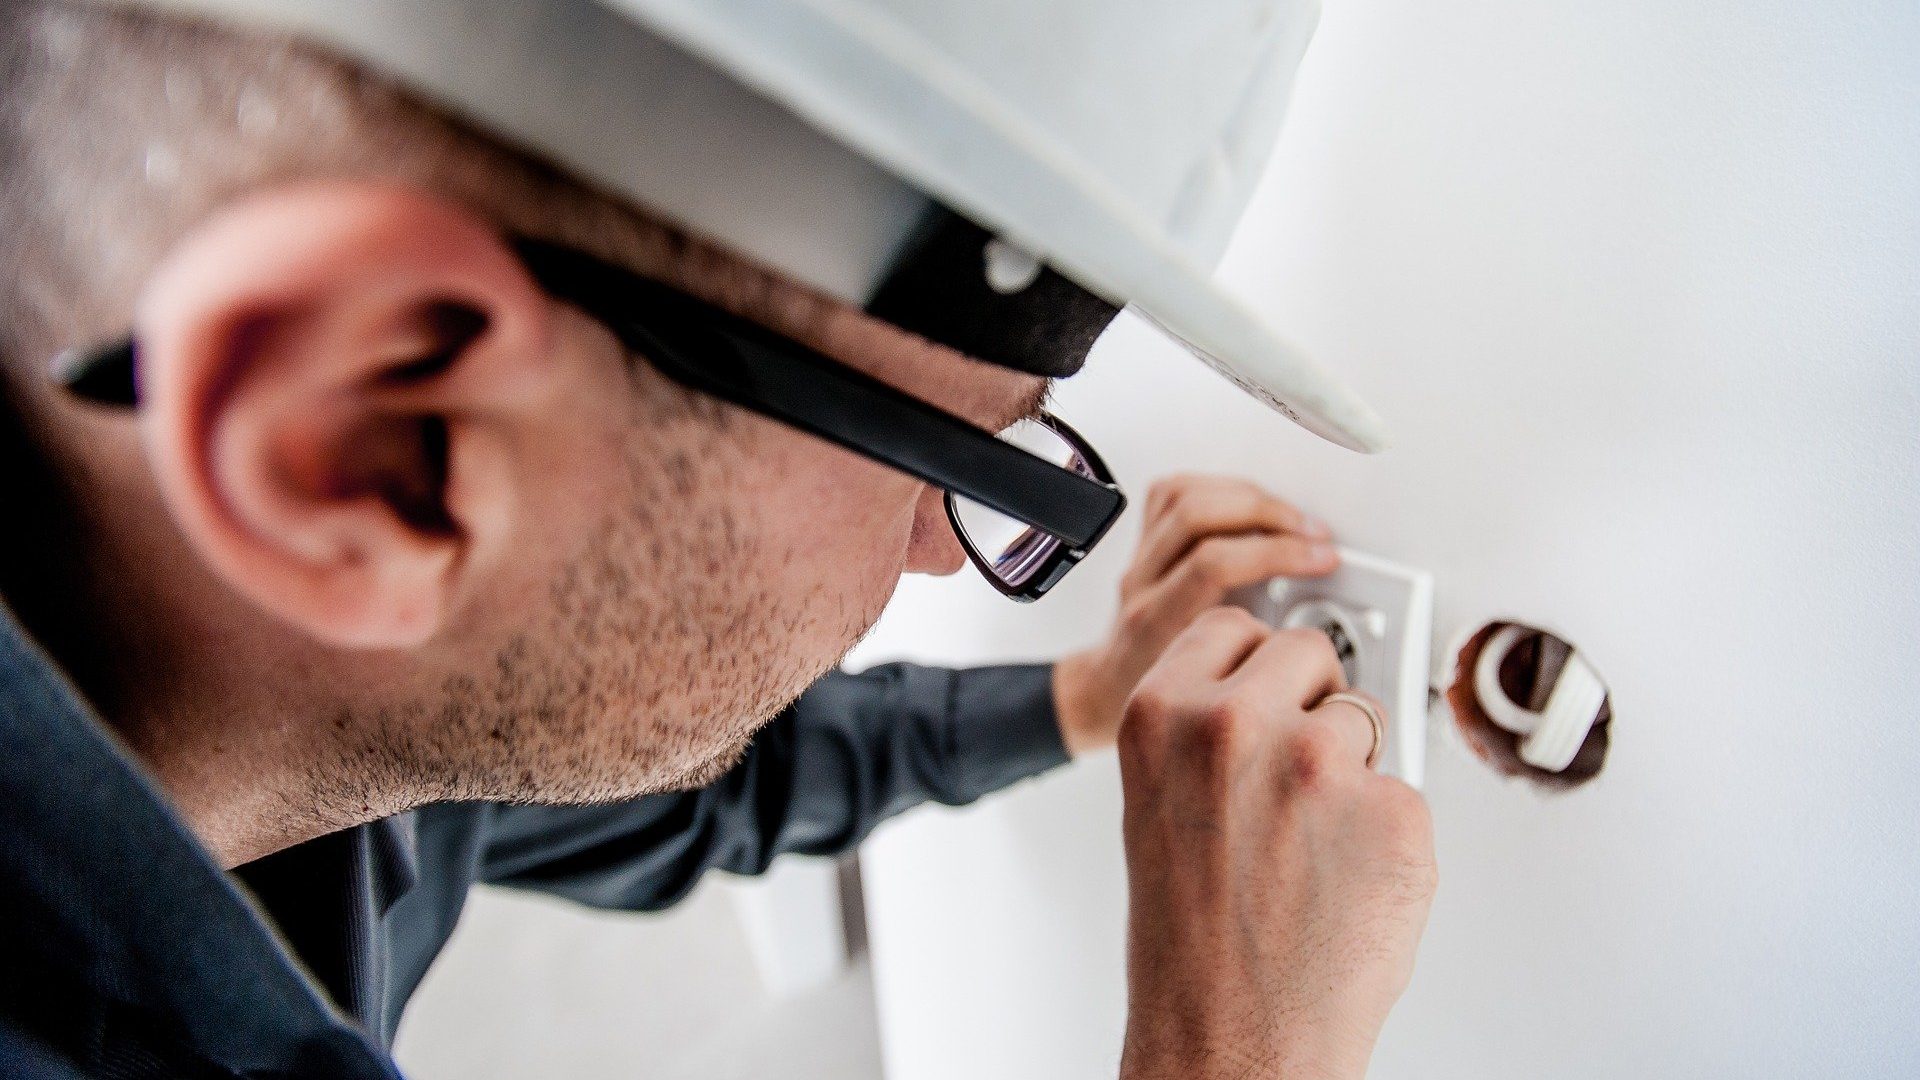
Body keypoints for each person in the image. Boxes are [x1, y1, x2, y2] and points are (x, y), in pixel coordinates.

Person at [0, 2, 1436, 1078]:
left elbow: (686, 786)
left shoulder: (329, 696)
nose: (944, 552)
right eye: (954, 461)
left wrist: (1082, 694)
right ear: (369, 446)